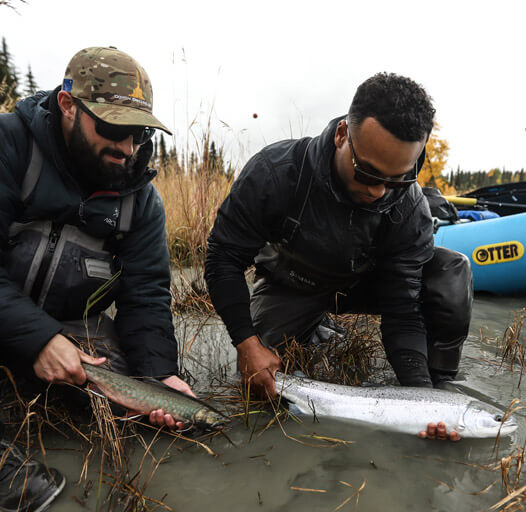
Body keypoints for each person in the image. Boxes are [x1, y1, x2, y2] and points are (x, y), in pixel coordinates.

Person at [205, 73, 472, 441]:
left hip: (364, 284)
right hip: (294, 285)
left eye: (397, 180)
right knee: (260, 384)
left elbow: (402, 310)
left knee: (449, 271)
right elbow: (222, 259)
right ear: (343, 135)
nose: (379, 192)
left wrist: (423, 400)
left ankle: (440, 383)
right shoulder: (276, 172)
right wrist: (247, 344)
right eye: (368, 173)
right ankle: (311, 325)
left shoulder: (409, 207)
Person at [0, 46, 194, 430]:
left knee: (131, 392)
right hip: (17, 320)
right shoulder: (10, 146)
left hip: (73, 334)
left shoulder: (142, 200)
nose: (127, 148)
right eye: (113, 128)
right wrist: (39, 339)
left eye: (138, 133)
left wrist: (157, 377)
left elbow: (146, 295)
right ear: (68, 104)